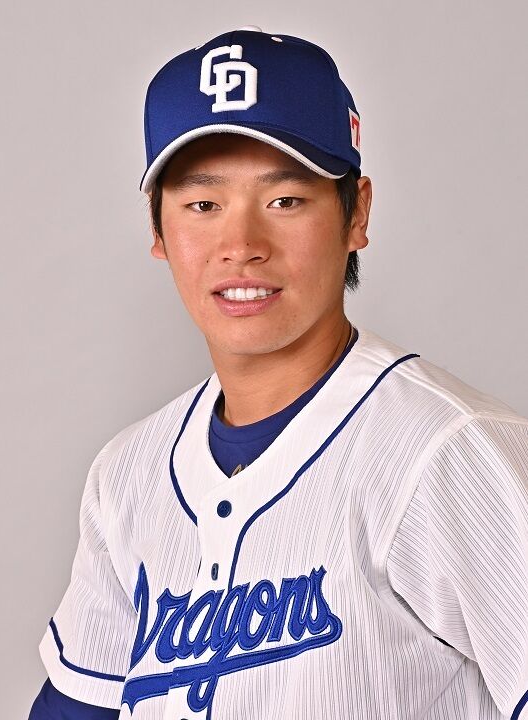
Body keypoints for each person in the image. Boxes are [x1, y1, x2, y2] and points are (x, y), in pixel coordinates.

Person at [29, 26, 528, 720]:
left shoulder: (451, 456)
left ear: (357, 214)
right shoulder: (127, 475)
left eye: (284, 201)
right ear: (157, 230)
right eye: (203, 205)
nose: (241, 246)